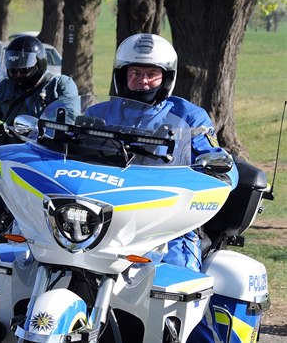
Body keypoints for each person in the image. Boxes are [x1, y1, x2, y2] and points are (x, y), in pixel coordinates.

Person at [85, 33, 237, 343]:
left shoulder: (189, 116)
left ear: (166, 78)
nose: (142, 81)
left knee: (181, 290)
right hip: (103, 219)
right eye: (135, 73)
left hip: (167, 225)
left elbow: (218, 162)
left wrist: (217, 167)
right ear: (121, 75)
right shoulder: (97, 114)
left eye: (151, 74)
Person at [0, 35, 79, 289]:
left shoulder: (61, 85)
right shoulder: (5, 88)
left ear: (39, 63)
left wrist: (48, 128)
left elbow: (71, 115)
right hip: (11, 160)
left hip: (50, 161)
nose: (18, 74)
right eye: (14, 69)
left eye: (24, 69)